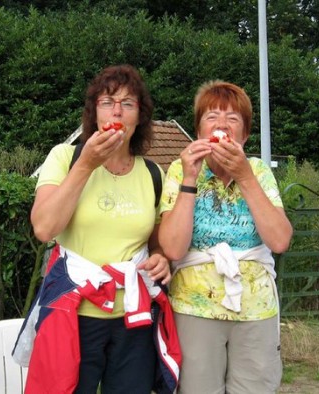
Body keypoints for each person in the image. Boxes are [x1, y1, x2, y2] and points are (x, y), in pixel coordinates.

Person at [18, 64, 178, 394]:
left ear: (140, 117)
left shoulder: (152, 174)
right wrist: (86, 165)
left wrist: (162, 258)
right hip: (72, 313)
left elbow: (156, 243)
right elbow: (44, 228)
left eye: (128, 103)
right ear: (94, 113)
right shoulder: (65, 157)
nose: (116, 110)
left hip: (133, 317)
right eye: (107, 102)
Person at [158, 80, 293, 393]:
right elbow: (173, 247)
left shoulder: (258, 170)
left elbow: (280, 241)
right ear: (199, 131)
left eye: (233, 119)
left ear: (244, 134)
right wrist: (190, 178)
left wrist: (244, 175)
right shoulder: (180, 169)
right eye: (212, 117)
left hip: (256, 307)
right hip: (194, 307)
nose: (222, 125)